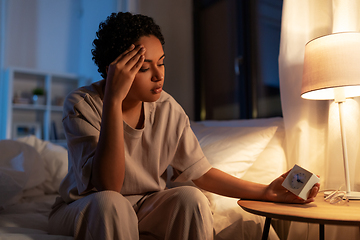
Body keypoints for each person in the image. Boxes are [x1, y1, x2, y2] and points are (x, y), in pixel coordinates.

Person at [48, 12, 319, 240]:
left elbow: (201, 173)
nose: (159, 75)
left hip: (144, 205)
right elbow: (109, 184)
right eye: (144, 68)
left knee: (191, 198)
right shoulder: (83, 104)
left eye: (162, 63)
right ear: (115, 70)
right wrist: (114, 101)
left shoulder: (167, 109)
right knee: (111, 204)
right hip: (87, 206)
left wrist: (265, 191)